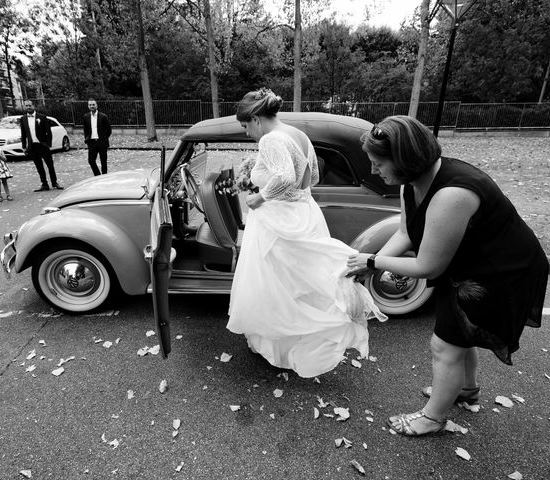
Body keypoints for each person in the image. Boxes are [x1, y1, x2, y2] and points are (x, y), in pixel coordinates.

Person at [346, 115, 548, 436]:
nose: (373, 170)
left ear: (405, 161)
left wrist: (371, 262)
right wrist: (377, 263)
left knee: (444, 344)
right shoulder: (411, 183)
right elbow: (406, 232)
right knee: (458, 334)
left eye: (377, 162)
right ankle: (465, 390)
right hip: (466, 263)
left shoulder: (452, 194)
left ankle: (433, 418)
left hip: (501, 271)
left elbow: (428, 267)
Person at [226, 88, 387, 378]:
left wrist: (259, 197)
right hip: (303, 212)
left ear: (256, 119)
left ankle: (279, 347)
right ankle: (297, 341)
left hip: (278, 220)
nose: (247, 132)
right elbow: (311, 176)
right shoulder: (296, 133)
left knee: (275, 284)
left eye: (246, 126)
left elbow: (285, 177)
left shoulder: (271, 138)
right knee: (296, 282)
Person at [19, 100, 63, 191]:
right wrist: (24, 146)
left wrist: (48, 144)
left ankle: (54, 183)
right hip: (32, 146)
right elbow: (23, 134)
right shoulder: (23, 119)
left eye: (30, 105)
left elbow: (48, 132)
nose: (28, 107)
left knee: (50, 165)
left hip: (43, 145)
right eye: (26, 106)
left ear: (33, 106)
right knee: (39, 166)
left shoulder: (42, 117)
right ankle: (44, 184)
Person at [82, 99, 112, 175]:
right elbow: (85, 130)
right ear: (88, 106)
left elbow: (109, 130)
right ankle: (98, 176)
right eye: (90, 105)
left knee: (103, 162)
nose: (91, 106)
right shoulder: (86, 116)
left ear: (96, 105)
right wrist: (87, 139)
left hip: (101, 142)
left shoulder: (103, 116)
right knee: (91, 161)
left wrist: (104, 138)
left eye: (93, 104)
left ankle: (104, 177)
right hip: (92, 142)